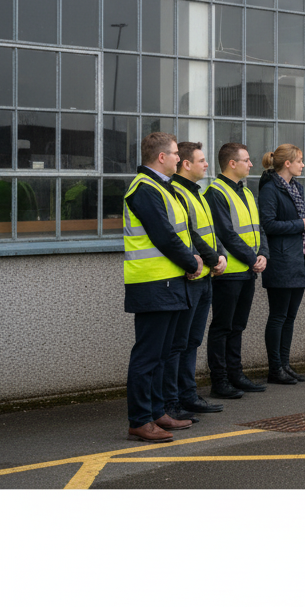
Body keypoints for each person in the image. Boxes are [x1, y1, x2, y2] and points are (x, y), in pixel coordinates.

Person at [122, 132, 201, 442]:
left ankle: (156, 413)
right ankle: (140, 420)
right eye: (175, 153)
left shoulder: (162, 187)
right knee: (147, 356)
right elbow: (164, 236)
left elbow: (180, 233)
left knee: (161, 354)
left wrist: (191, 261)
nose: (179, 158)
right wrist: (192, 262)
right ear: (161, 157)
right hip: (153, 284)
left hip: (167, 283)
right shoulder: (145, 189)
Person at [168, 141, 228, 417]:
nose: (206, 164)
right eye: (201, 160)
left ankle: (188, 395)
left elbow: (210, 232)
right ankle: (175, 400)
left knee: (192, 341)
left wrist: (220, 255)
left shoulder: (198, 193)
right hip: (189, 279)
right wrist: (215, 259)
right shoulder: (177, 192)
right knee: (179, 343)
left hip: (204, 279)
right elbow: (190, 234)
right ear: (186, 164)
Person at [205, 142, 268, 398]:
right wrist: (253, 258)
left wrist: (263, 254)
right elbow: (226, 234)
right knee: (222, 327)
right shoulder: (215, 192)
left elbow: (258, 227)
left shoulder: (246, 191)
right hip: (228, 273)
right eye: (247, 160)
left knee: (238, 326)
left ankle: (236, 375)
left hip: (247, 270)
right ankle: (219, 381)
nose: (251, 164)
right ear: (232, 163)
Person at [258, 144, 305, 385]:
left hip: (298, 259)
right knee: (279, 316)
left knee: (290, 317)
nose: (303, 165)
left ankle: (285, 365)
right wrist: (300, 224)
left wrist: (300, 225)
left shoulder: (295, 187)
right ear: (287, 163)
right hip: (281, 261)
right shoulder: (270, 189)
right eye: (299, 161)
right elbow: (268, 224)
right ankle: (275, 369)